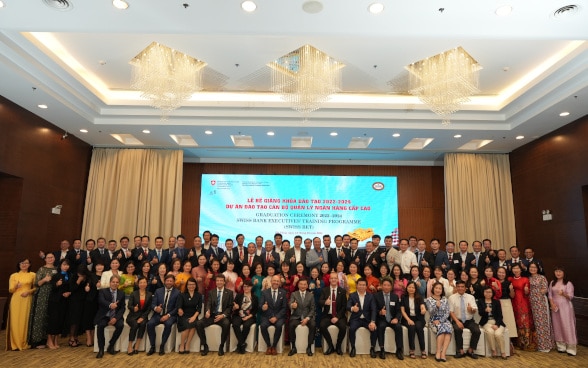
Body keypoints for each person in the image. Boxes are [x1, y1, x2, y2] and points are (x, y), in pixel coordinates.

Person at [196, 274, 233, 356]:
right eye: (217, 280)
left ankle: (221, 346)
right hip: (212, 315)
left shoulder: (229, 293)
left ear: (224, 282)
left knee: (226, 324)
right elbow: (208, 303)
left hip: (222, 316)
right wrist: (207, 311)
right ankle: (205, 346)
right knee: (198, 323)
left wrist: (223, 315)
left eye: (221, 281)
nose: (219, 282)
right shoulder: (211, 292)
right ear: (215, 282)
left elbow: (230, 307)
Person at [146, 274, 180, 356]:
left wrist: (168, 315)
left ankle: (162, 346)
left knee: (168, 324)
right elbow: (152, 304)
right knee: (149, 324)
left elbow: (177, 308)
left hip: (170, 316)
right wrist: (155, 308)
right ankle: (153, 346)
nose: (169, 282)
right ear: (164, 281)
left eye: (171, 281)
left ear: (173, 282)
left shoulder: (178, 292)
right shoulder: (158, 291)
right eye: (167, 280)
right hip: (158, 314)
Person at [6, 258, 36, 351]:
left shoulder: (33, 275)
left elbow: (36, 288)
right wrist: (16, 286)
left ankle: (23, 342)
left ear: (29, 264)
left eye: (26, 263)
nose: (24, 265)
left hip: (27, 298)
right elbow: (10, 290)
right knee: (15, 320)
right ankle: (15, 343)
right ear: (19, 265)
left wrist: (29, 291)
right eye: (22, 263)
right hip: (16, 299)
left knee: (24, 320)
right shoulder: (14, 275)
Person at [28, 253, 56, 348]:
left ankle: (47, 340)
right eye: (48, 257)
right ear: (45, 259)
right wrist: (44, 279)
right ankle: (37, 341)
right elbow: (37, 283)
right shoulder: (41, 269)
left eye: (52, 257)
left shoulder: (56, 269)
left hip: (53, 296)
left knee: (49, 317)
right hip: (42, 295)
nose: (50, 259)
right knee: (40, 317)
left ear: (54, 258)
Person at [94, 274, 125, 358]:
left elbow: (122, 308)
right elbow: (101, 301)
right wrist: (110, 305)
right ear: (110, 282)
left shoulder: (121, 293)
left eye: (117, 282)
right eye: (113, 282)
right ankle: (101, 349)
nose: (115, 284)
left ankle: (111, 346)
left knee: (121, 325)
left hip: (115, 316)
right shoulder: (103, 291)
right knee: (100, 326)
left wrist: (116, 318)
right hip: (105, 315)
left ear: (119, 284)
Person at [448, 280, 480, 359]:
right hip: (457, 319)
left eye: (462, 287)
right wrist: (457, 322)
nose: (460, 288)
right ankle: (460, 351)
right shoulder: (452, 298)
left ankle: (470, 350)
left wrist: (471, 310)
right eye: (458, 287)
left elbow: (474, 310)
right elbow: (451, 312)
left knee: (477, 330)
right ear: (456, 287)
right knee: (457, 329)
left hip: (469, 320)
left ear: (465, 288)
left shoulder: (471, 297)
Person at [548, 266, 577, 356]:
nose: (558, 273)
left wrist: (564, 294)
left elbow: (571, 297)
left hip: (565, 306)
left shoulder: (568, 283)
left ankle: (571, 348)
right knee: (557, 325)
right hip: (555, 307)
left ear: (564, 273)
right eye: (556, 271)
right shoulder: (552, 282)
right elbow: (550, 295)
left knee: (567, 325)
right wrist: (552, 304)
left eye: (560, 271)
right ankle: (561, 346)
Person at [347, 278, 377, 358]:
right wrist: (352, 308)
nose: (361, 286)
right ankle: (353, 347)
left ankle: (372, 348)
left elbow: (374, 309)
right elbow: (348, 306)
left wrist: (373, 321)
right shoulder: (352, 295)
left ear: (366, 286)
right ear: (357, 285)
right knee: (352, 329)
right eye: (360, 285)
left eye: (363, 285)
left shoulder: (370, 296)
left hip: (367, 319)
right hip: (356, 319)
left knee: (374, 328)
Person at [375, 277, 404, 360]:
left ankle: (399, 350)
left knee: (398, 327)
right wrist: (380, 312)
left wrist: (396, 319)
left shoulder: (395, 297)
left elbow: (399, 311)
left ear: (391, 287)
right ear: (381, 286)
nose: (386, 287)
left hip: (392, 319)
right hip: (382, 319)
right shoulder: (377, 296)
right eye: (384, 285)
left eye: (388, 285)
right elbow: (373, 310)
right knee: (381, 327)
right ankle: (382, 349)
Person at [319, 272, 347, 355]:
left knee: (343, 327)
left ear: (338, 280)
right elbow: (320, 302)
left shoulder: (342, 291)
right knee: (322, 326)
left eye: (335, 278)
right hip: (328, 315)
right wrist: (325, 302)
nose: (333, 280)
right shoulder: (325, 290)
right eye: (332, 278)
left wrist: (337, 317)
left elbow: (344, 306)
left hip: (339, 316)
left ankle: (338, 346)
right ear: (329, 279)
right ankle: (330, 346)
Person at [509, 263, 536, 350]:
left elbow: (527, 293)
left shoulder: (525, 279)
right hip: (513, 301)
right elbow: (511, 293)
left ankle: (526, 343)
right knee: (515, 320)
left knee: (524, 320)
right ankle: (517, 343)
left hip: (523, 301)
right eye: (514, 268)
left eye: (517, 268)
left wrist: (526, 291)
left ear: (521, 270)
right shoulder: (509, 279)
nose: (516, 270)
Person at [529, 262, 554, 352]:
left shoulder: (542, 277)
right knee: (536, 324)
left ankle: (546, 345)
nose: (533, 269)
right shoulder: (529, 278)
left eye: (534, 267)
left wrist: (537, 294)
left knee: (543, 323)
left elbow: (545, 289)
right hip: (531, 303)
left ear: (538, 268)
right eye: (531, 267)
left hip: (540, 303)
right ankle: (539, 344)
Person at [260, 275, 288, 355]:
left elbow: (284, 308)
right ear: (271, 281)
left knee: (279, 326)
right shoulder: (264, 292)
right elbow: (260, 305)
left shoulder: (283, 292)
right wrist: (263, 307)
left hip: (278, 317)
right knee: (263, 326)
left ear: (279, 283)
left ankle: (274, 346)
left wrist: (276, 317)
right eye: (274, 281)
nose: (276, 282)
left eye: (277, 281)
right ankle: (269, 346)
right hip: (267, 316)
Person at [47, 259, 72, 349]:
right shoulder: (56, 275)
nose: (66, 266)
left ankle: (56, 340)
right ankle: (49, 340)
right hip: (55, 301)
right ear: (60, 265)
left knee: (60, 320)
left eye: (67, 265)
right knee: (53, 320)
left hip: (65, 301)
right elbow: (52, 287)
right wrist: (57, 284)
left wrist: (69, 293)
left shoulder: (70, 275)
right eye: (64, 265)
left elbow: (71, 288)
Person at [287, 278, 315, 356]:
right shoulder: (294, 294)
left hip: (307, 317)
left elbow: (312, 309)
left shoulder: (311, 295)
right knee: (291, 325)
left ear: (307, 286)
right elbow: (290, 303)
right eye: (301, 284)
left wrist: (307, 318)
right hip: (296, 316)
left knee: (313, 325)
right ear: (298, 285)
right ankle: (293, 347)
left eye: (304, 284)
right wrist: (292, 305)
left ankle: (309, 347)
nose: (303, 286)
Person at [477, 286, 507, 359]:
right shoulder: (480, 301)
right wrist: (485, 311)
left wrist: (497, 325)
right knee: (490, 332)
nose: (488, 293)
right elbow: (480, 313)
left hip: (497, 322)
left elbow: (500, 316)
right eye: (486, 292)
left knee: (498, 334)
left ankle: (503, 352)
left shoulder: (496, 302)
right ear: (483, 293)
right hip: (486, 322)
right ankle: (494, 351)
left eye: (490, 292)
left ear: (492, 293)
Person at [425, 282, 452, 362]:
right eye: (436, 288)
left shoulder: (445, 299)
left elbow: (447, 312)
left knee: (448, 329)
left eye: (440, 288)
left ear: (442, 290)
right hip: (433, 320)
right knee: (441, 328)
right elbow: (431, 312)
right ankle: (437, 352)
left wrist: (441, 320)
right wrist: (437, 306)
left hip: (444, 320)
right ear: (433, 289)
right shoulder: (429, 300)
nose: (438, 290)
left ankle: (443, 353)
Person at [126, 276, 153, 355]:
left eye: (144, 282)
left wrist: (142, 317)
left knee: (143, 324)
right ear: (138, 284)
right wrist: (133, 308)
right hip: (133, 315)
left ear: (147, 283)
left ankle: (137, 345)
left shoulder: (149, 294)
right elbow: (129, 306)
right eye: (141, 282)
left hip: (143, 315)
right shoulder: (133, 293)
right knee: (134, 325)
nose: (142, 284)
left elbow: (149, 308)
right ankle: (130, 345)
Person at [401, 281, 427, 359]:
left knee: (419, 327)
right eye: (409, 287)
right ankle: (411, 349)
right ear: (407, 288)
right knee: (411, 327)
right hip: (407, 318)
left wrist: (423, 310)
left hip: (419, 318)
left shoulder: (419, 297)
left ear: (416, 289)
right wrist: (408, 320)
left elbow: (423, 306)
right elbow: (402, 310)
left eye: (413, 287)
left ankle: (423, 350)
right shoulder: (403, 297)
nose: (411, 289)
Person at [231, 280, 258, 353]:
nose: (246, 288)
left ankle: (240, 345)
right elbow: (234, 306)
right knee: (235, 324)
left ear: (251, 287)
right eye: (244, 286)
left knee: (246, 325)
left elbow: (255, 310)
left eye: (247, 286)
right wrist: (235, 307)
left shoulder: (255, 297)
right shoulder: (239, 295)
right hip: (238, 315)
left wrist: (248, 317)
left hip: (250, 316)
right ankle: (242, 344)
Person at [176, 277, 202, 354]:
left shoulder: (198, 295)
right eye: (189, 284)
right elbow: (179, 306)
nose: (191, 286)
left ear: (195, 285)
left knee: (193, 324)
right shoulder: (182, 294)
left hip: (194, 314)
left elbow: (199, 308)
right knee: (187, 326)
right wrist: (179, 310)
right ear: (187, 286)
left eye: (193, 284)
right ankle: (181, 344)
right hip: (183, 315)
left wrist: (194, 317)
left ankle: (187, 344)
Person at [81, 260, 103, 347]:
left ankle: (94, 337)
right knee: (88, 318)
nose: (99, 267)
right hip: (91, 299)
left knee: (96, 319)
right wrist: (86, 287)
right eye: (97, 265)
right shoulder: (91, 275)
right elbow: (87, 285)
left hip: (101, 300)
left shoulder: (106, 275)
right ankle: (88, 337)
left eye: (101, 265)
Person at [67, 264, 88, 347]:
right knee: (74, 319)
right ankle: (71, 337)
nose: (80, 275)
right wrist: (78, 281)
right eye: (79, 273)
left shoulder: (87, 277)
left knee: (79, 320)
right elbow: (72, 289)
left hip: (83, 300)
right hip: (74, 301)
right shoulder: (74, 277)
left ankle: (76, 337)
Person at [496, 266, 517, 338]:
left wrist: (511, 289)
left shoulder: (508, 283)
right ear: (496, 273)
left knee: (508, 322)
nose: (501, 274)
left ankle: (509, 342)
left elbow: (512, 296)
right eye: (499, 272)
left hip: (506, 303)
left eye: (503, 273)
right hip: (496, 303)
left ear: (505, 274)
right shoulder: (494, 282)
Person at [308, 267, 324, 347]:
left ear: (318, 273)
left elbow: (321, 293)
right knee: (311, 323)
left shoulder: (321, 282)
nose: (314, 273)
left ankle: (318, 342)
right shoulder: (308, 281)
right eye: (312, 272)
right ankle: (310, 341)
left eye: (315, 272)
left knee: (318, 323)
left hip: (318, 304)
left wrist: (318, 286)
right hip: (309, 305)